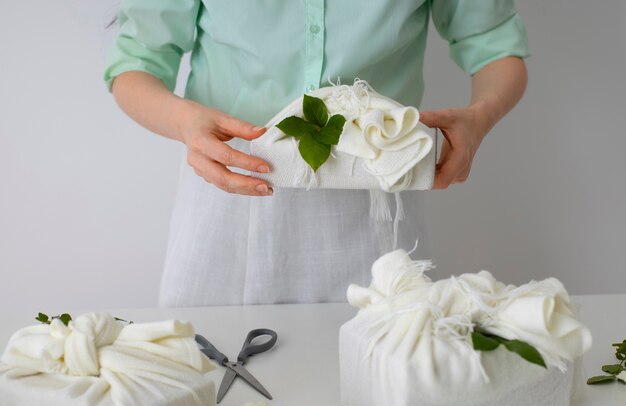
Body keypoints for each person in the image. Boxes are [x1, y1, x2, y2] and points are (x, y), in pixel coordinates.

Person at [104, 0, 529, 307]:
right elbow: (137, 60)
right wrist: (184, 122)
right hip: (229, 186)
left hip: (379, 196)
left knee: (384, 372)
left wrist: (480, 117)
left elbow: (492, 44)